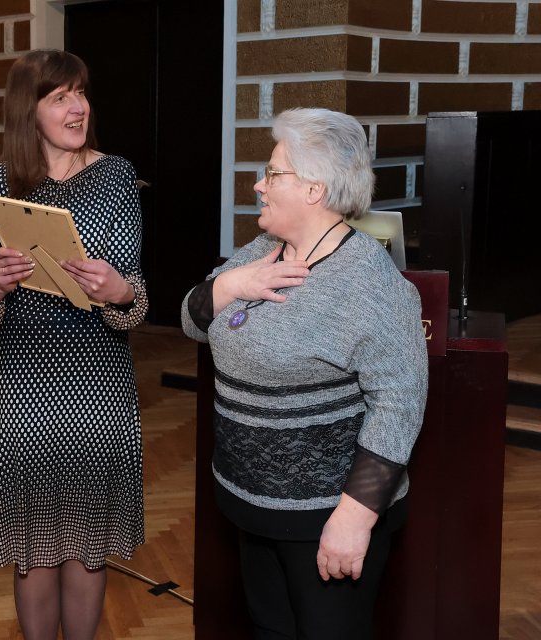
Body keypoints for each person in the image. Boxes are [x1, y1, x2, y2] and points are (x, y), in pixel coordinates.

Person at [180, 108, 428, 639]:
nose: (258, 184)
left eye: (272, 173)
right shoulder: (258, 251)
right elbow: (190, 320)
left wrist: (355, 519)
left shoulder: (370, 283)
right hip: (253, 507)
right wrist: (231, 285)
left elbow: (399, 406)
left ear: (314, 189)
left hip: (324, 520)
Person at [0, 49, 148, 640]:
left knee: (90, 546)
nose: (79, 107)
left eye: (81, 93)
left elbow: (135, 305)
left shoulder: (115, 176)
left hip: (98, 385)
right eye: (60, 96)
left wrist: (119, 289)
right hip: (24, 388)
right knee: (33, 548)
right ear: (29, 109)